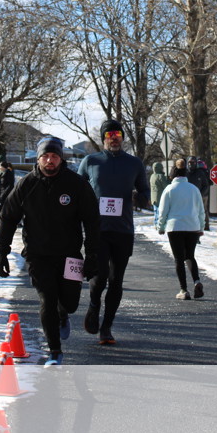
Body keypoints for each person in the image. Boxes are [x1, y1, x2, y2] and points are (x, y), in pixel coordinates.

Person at [0, 137, 100, 366]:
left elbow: (92, 220)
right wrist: (2, 253)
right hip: (38, 254)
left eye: (54, 156)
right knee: (47, 300)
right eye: (45, 156)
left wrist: (92, 255)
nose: (49, 161)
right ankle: (54, 351)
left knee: (70, 303)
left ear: (61, 158)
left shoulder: (76, 184)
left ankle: (64, 314)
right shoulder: (26, 184)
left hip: (70, 255)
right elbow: (7, 217)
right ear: (38, 158)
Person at [78, 119, 150, 345]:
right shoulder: (91, 161)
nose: (114, 138)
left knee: (116, 280)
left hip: (123, 230)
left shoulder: (134, 163)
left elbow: (145, 193)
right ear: (103, 139)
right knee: (99, 278)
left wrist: (139, 198)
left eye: (118, 134)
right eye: (109, 135)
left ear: (122, 138)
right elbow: (77, 189)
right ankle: (93, 306)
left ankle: (107, 326)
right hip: (97, 230)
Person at [157, 159, 205, 300]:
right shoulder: (194, 189)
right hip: (192, 226)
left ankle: (184, 290)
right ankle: (196, 281)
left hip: (175, 227)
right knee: (190, 256)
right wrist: (201, 227)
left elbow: (163, 211)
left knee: (179, 259)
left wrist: (161, 226)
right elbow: (200, 211)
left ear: (173, 173)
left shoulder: (169, 189)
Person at [186, 156, 211, 230]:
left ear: (196, 163)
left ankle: (205, 226)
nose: (191, 164)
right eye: (189, 162)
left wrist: (200, 194)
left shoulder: (200, 173)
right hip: (188, 196)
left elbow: (206, 185)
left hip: (201, 195)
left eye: (192, 162)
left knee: (202, 210)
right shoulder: (185, 173)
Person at [149, 161, 170, 226]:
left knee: (155, 212)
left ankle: (155, 224)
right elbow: (166, 186)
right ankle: (159, 225)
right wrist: (169, 180)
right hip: (160, 197)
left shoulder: (152, 176)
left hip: (153, 198)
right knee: (160, 212)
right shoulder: (160, 176)